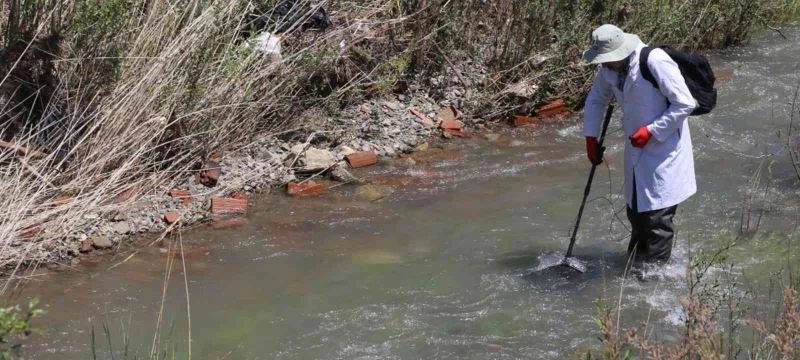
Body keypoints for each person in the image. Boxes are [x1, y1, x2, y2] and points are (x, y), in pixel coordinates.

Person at [581, 24, 697, 269]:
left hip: (664, 150)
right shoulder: (609, 69)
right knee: (636, 214)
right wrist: (591, 137)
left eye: (606, 60)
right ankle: (634, 270)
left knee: (657, 222)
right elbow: (596, 99)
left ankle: (652, 279)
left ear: (620, 52)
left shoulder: (655, 61)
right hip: (636, 151)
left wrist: (652, 131)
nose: (603, 65)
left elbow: (685, 103)